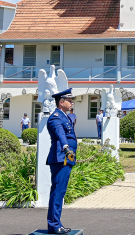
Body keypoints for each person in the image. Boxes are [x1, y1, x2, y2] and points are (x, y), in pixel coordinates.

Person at [46, 89, 78, 234]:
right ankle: (54, 225)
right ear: (61, 102)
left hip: (67, 157)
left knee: (61, 191)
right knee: (58, 192)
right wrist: (66, 147)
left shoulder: (65, 116)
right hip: (61, 157)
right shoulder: (56, 117)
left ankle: (56, 223)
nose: (72, 102)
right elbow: (60, 133)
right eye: (69, 100)